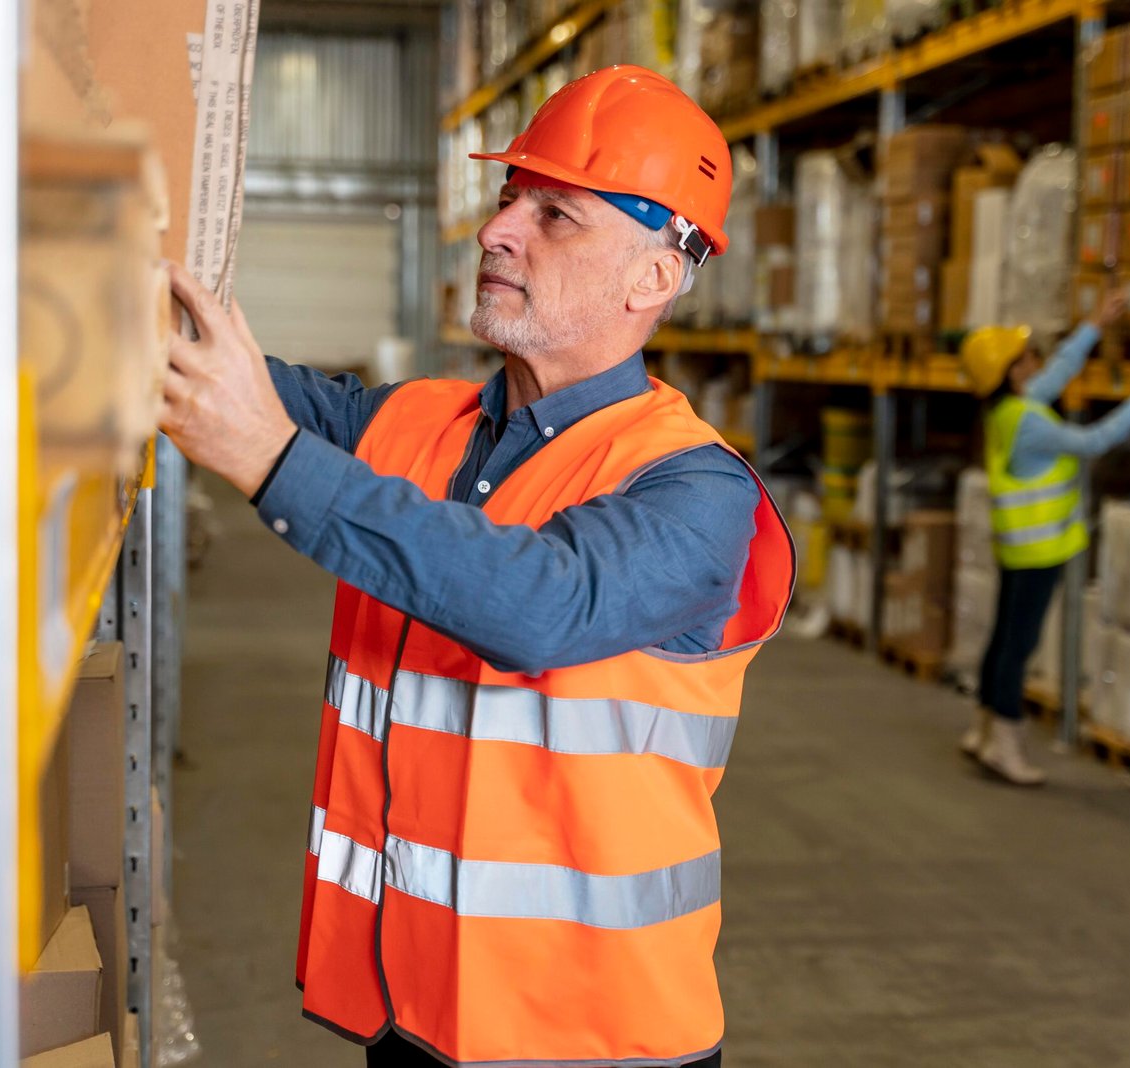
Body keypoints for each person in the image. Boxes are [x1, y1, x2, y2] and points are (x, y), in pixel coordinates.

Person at [156, 66, 795, 1068]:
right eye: (507, 202)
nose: (499, 232)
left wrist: (271, 464)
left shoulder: (696, 493)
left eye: (555, 215)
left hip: (590, 1039)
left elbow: (543, 603)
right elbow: (217, 377)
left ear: (652, 278)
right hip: (413, 1015)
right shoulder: (417, 423)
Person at [958, 295, 1130, 786]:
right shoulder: (1029, 421)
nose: (1036, 361)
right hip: (1039, 549)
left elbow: (1055, 374)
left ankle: (984, 730)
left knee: (1003, 636)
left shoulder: (1009, 410)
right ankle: (1005, 746)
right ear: (1013, 373)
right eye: (1027, 357)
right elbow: (1093, 442)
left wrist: (1093, 326)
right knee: (1019, 643)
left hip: (1019, 546)